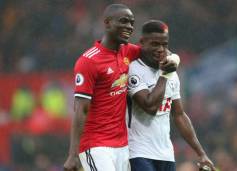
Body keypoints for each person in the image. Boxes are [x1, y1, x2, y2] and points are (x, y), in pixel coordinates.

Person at [63, 4, 178, 171]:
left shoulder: (127, 52)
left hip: (122, 147)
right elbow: (81, 109)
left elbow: (158, 51)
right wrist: (73, 154)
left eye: (131, 23)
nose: (129, 27)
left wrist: (175, 57)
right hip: (96, 145)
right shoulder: (89, 61)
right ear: (107, 23)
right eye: (123, 21)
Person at [127, 20, 216, 171]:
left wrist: (201, 153)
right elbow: (150, 107)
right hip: (137, 152)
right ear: (142, 42)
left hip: (166, 154)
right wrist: (165, 74)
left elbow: (179, 115)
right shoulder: (133, 70)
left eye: (164, 44)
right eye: (155, 44)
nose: (160, 49)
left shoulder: (171, 72)